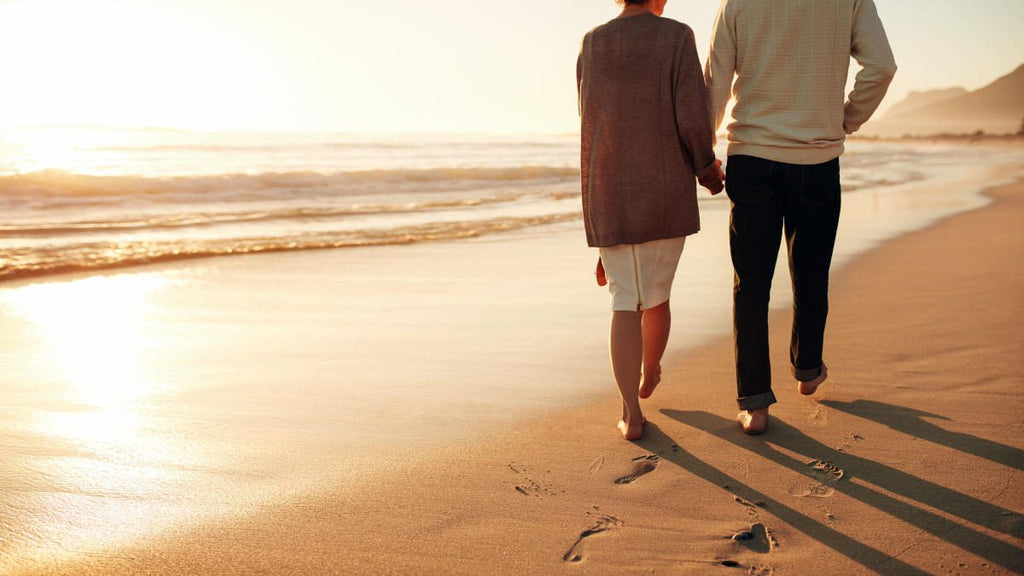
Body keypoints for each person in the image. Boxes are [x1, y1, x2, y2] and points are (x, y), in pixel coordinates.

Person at [705, 0, 897, 434]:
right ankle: (808, 370)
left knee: (751, 284)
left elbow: (715, 83)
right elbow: (881, 67)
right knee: (811, 272)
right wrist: (845, 119)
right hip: (818, 156)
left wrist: (704, 158)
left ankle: (754, 405)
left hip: (752, 158)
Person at [578, 0, 724, 441]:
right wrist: (706, 169)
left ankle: (630, 410)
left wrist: (598, 220)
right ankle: (650, 368)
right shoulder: (676, 36)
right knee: (656, 297)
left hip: (609, 192)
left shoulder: (592, 43)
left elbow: (590, 123)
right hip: (663, 193)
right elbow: (692, 119)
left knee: (624, 302)